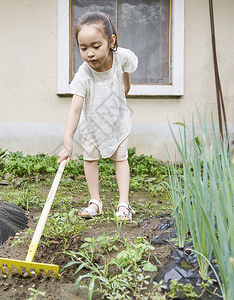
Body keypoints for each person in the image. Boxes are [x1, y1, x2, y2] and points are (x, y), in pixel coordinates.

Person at [57, 11, 138, 222]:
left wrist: (124, 89)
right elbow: (75, 109)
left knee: (120, 159)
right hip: (92, 124)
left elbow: (126, 78)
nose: (90, 53)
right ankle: (95, 202)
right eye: (83, 48)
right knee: (90, 159)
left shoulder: (122, 58)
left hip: (117, 120)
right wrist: (67, 140)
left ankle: (123, 203)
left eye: (96, 46)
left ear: (111, 41)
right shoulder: (84, 74)